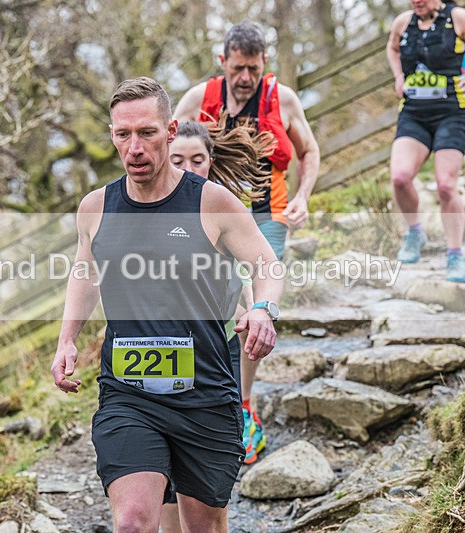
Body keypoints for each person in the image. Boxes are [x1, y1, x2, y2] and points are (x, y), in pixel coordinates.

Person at [51, 77, 284, 533]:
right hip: (128, 393)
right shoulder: (96, 207)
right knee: (134, 523)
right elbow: (85, 274)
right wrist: (66, 340)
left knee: (203, 528)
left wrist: (263, 310)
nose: (134, 147)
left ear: (171, 131)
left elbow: (266, 263)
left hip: (204, 392)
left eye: (147, 133)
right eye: (123, 135)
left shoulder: (211, 202)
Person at [174, 19, 320, 464]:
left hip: (268, 212)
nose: (245, 78)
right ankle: (198, 390)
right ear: (223, 61)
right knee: (212, 295)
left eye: (253, 69)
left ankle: (242, 402)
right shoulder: (201, 99)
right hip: (209, 213)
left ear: (263, 64)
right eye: (238, 68)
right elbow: (168, 148)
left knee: (259, 303)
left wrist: (302, 196)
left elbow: (309, 151)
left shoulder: (282, 98)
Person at [160, 120, 274, 533]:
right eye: (178, 159)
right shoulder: (145, 206)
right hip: (159, 352)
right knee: (164, 477)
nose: (189, 168)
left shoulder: (220, 208)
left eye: (198, 159)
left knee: (207, 488)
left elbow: (248, 272)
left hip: (215, 348)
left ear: (211, 161)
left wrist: (255, 310)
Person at [387, 0, 465, 282]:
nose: (417, 1)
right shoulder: (403, 22)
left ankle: (455, 254)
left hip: (452, 111)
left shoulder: (458, 17)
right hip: (413, 113)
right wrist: (399, 75)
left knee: (446, 185)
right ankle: (415, 233)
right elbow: (392, 48)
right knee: (400, 178)